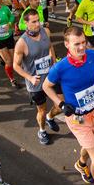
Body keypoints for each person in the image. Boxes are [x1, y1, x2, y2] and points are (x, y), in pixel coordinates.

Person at [43, 26, 94, 185]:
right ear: (67, 45)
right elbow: (46, 86)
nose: (82, 47)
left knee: (92, 143)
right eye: (77, 44)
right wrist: (60, 104)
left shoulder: (92, 56)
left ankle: (82, 163)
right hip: (77, 118)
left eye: (83, 42)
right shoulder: (60, 68)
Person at [12, 8, 62, 145]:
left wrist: (54, 63)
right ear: (26, 23)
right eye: (33, 22)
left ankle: (50, 117)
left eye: (38, 20)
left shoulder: (45, 32)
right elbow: (15, 66)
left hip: (51, 77)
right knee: (42, 109)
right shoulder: (22, 43)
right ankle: (42, 130)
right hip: (36, 83)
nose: (37, 24)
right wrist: (30, 78)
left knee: (61, 104)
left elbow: (50, 46)